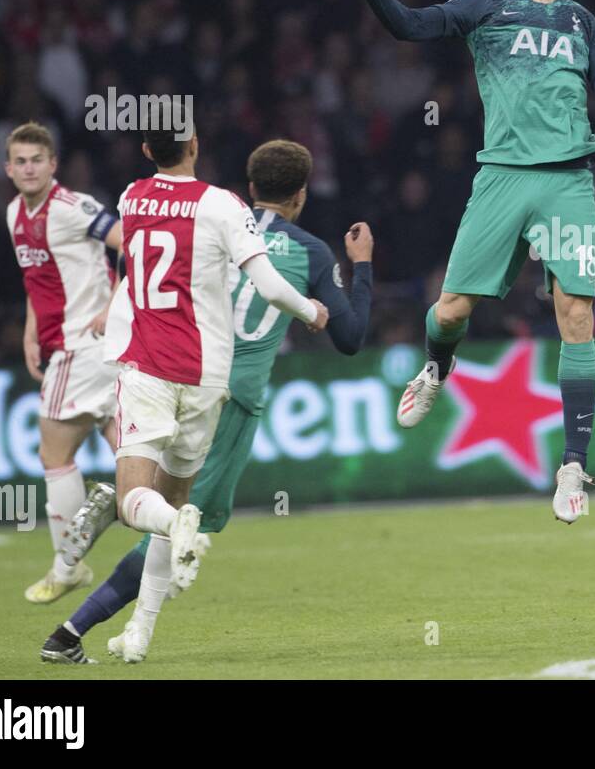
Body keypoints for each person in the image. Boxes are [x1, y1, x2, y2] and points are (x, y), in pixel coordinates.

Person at [345, 0, 595, 523]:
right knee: (450, 309)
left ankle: (573, 463)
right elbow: (409, 26)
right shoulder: (484, 6)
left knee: (576, 314)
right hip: (502, 177)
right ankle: (438, 367)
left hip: (568, 179)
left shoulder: (580, 20)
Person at [41, 140, 373, 664]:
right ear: (302, 195)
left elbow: (149, 267)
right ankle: (70, 631)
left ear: (250, 188)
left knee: (167, 515)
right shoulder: (307, 249)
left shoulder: (205, 218)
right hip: (225, 394)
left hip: (162, 363)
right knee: (181, 520)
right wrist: (363, 268)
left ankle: (135, 634)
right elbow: (350, 337)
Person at [4, 122, 122, 604]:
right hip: (75, 347)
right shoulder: (14, 212)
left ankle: (66, 565)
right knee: (132, 458)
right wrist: (33, 331)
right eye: (20, 161)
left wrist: (113, 303)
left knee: (54, 455)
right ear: (8, 168)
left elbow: (132, 243)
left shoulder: (74, 207)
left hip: (83, 347)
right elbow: (41, 280)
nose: (29, 168)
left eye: (38, 159)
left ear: (54, 165)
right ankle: (165, 522)